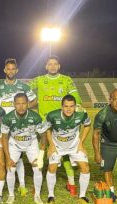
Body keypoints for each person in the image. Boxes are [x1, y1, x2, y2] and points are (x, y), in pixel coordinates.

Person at [29, 56, 82, 196]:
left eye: (55, 64)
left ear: (59, 66)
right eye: (50, 64)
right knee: (40, 152)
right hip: (43, 123)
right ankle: (38, 184)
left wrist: (78, 106)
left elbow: (75, 95)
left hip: (62, 124)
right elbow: (24, 89)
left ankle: (71, 184)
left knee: (65, 155)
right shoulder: (39, 79)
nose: (52, 66)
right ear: (46, 66)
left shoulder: (66, 80)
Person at [0, 58, 37, 196]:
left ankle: (22, 185)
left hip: (18, 127)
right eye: (8, 69)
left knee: (19, 157)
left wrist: (23, 109)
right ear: (5, 70)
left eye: (13, 69)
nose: (10, 71)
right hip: (2, 126)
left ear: (16, 70)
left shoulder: (23, 86)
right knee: (0, 156)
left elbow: (34, 100)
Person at [45, 95, 91, 204]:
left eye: (71, 106)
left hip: (74, 145)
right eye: (66, 106)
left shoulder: (82, 113)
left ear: (75, 106)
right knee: (52, 167)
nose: (68, 109)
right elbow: (47, 129)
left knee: (85, 167)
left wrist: (81, 144)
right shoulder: (52, 115)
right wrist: (51, 145)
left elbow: (87, 125)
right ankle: (50, 195)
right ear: (61, 106)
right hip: (57, 146)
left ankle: (82, 196)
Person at [1, 93, 46, 204]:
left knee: (37, 168)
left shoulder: (35, 117)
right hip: (14, 145)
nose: (21, 106)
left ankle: (37, 195)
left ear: (28, 104)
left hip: (31, 144)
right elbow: (5, 138)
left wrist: (40, 157)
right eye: (18, 104)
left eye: (24, 103)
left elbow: (44, 136)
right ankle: (11, 195)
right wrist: (7, 157)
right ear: (14, 105)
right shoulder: (7, 118)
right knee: (10, 167)